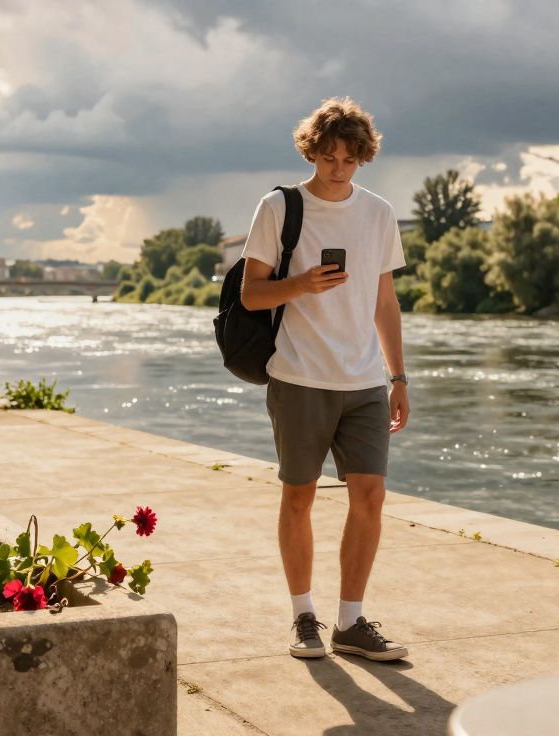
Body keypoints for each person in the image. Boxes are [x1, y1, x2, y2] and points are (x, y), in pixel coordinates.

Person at [239, 97, 410, 661]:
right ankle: (303, 617)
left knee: (371, 496)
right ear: (311, 151)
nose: (338, 169)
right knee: (299, 497)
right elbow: (251, 294)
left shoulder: (379, 213)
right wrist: (302, 284)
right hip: (299, 377)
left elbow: (385, 302)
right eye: (328, 157)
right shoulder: (279, 208)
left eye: (349, 159)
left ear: (363, 157)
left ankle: (351, 623)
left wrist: (398, 376)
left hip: (363, 382)